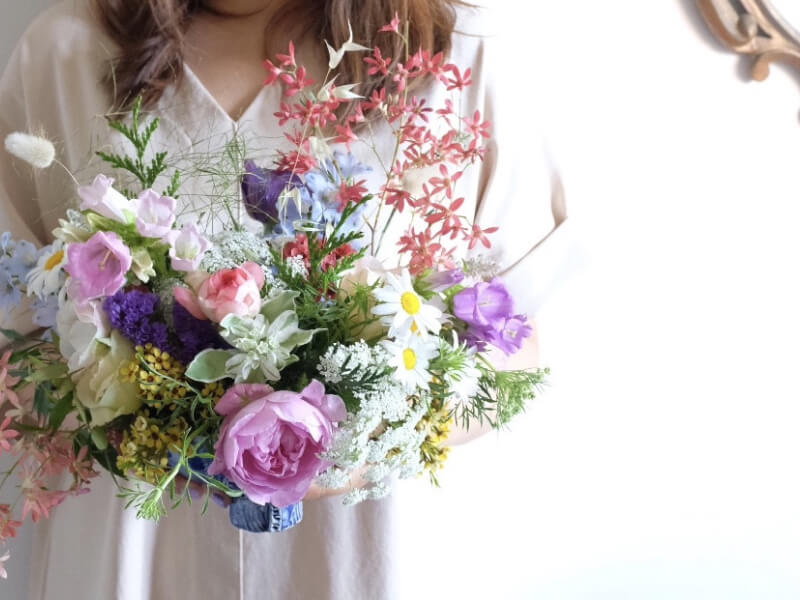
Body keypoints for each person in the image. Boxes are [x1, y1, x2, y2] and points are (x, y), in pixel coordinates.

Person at [0, 0, 570, 598]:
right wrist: (141, 423)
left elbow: (510, 343)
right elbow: (18, 336)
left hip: (360, 552)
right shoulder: (67, 51)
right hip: (137, 549)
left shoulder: (458, 54)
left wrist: (359, 445)